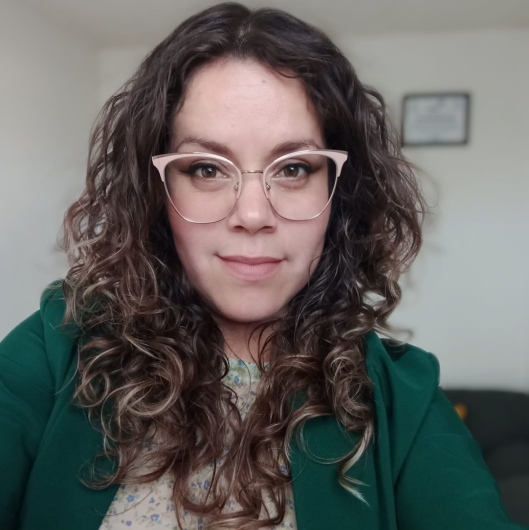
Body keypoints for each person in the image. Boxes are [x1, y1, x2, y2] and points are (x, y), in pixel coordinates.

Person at [0, 3, 525, 530]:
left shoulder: (402, 398)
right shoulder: (57, 345)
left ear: (338, 194)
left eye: (293, 168)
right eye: (206, 169)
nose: (252, 215)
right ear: (157, 192)